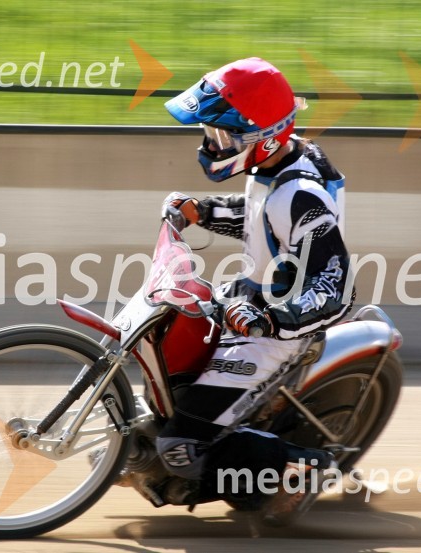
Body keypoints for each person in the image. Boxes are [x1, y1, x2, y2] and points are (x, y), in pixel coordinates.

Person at [155, 57, 353, 525]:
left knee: (178, 448)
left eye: (222, 136)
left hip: (276, 329)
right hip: (247, 296)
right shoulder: (284, 156)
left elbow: (335, 285)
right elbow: (261, 216)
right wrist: (201, 210)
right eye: (209, 132)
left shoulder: (300, 195)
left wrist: (273, 321)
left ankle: (299, 465)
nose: (210, 144)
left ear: (262, 137)